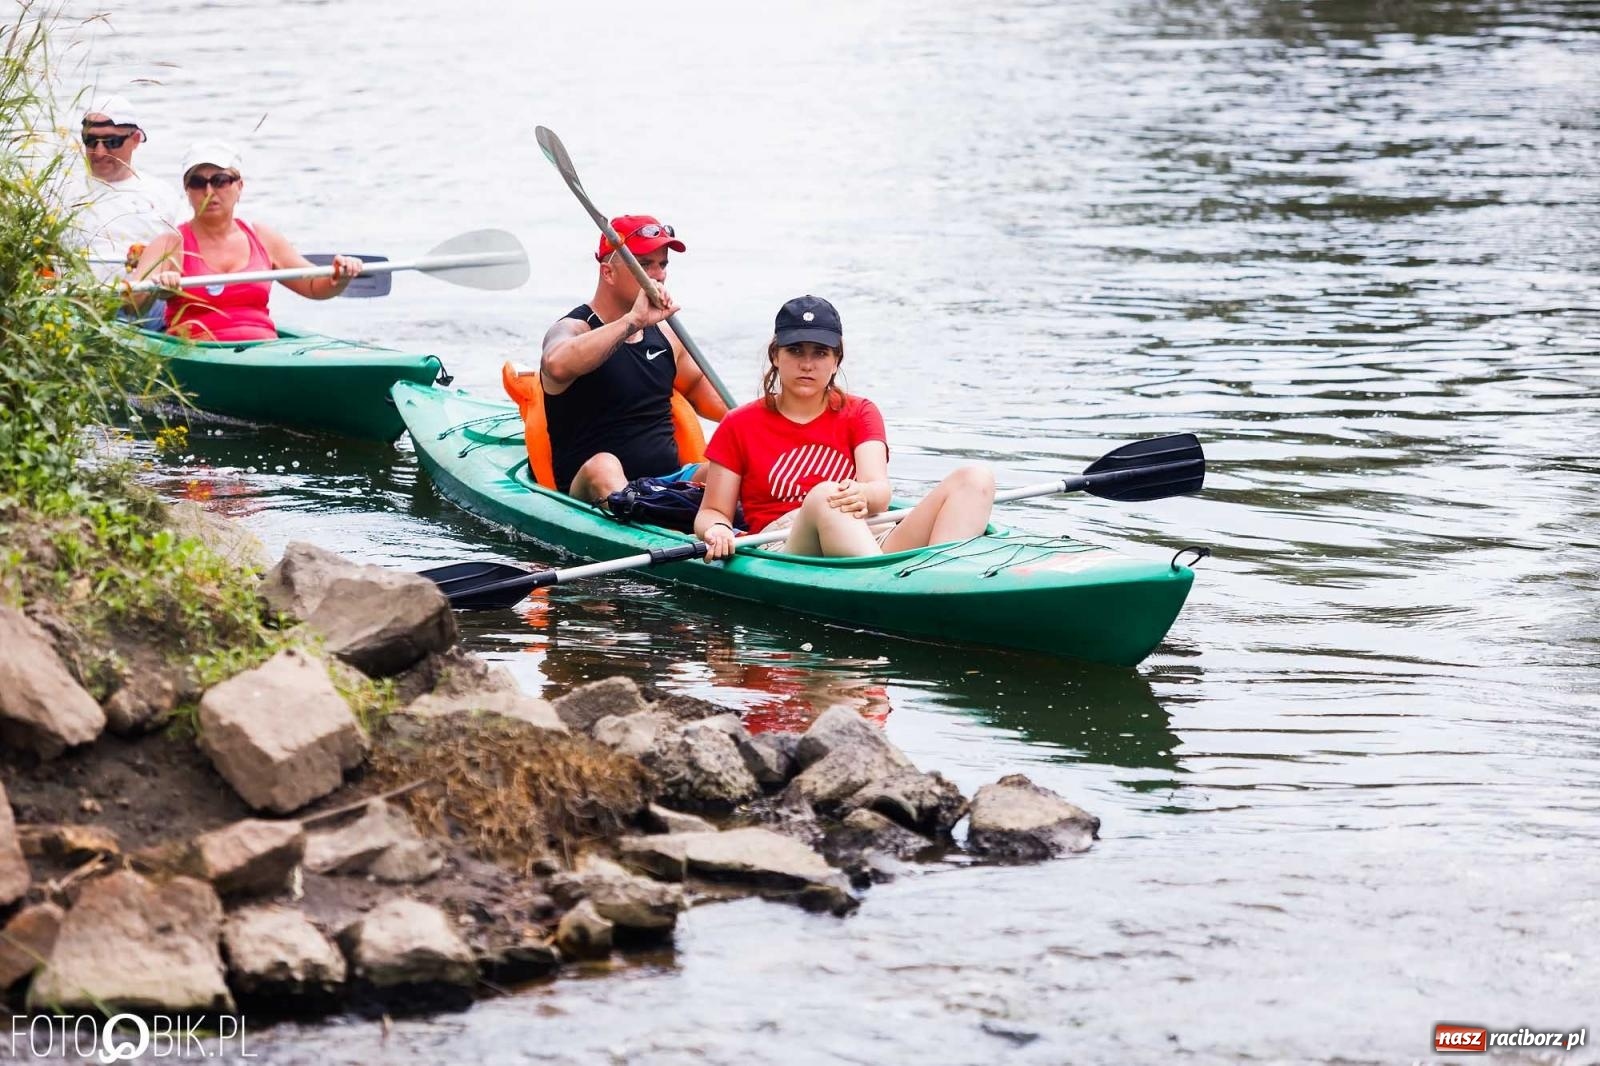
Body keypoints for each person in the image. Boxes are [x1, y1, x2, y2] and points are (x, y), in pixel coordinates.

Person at [695, 295, 995, 559]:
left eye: (820, 353)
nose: (808, 364)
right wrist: (719, 529)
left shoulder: (860, 411)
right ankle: (886, 587)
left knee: (975, 478)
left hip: (868, 532)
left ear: (836, 360)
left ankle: (938, 580)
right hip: (786, 544)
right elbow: (712, 512)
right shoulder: (738, 423)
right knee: (827, 495)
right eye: (796, 351)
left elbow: (879, 489)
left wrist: (863, 494)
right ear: (776, 355)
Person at [539, 215, 728, 500]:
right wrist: (632, 321)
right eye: (644, 265)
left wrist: (781, 417)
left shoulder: (668, 337)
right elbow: (555, 364)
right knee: (604, 466)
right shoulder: (574, 328)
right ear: (608, 273)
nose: (659, 275)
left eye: (662, 264)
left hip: (666, 483)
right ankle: (649, 514)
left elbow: (719, 403)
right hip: (590, 488)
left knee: (728, 467)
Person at [129, 141, 363, 341]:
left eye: (220, 180)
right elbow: (131, 305)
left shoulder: (263, 236)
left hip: (260, 350)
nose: (209, 191)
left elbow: (314, 286)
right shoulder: (170, 244)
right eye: (198, 183)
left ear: (239, 186)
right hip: (196, 354)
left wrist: (340, 277)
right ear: (187, 190)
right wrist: (156, 289)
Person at [73, 95, 180, 321]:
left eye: (112, 142)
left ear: (136, 139)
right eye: (91, 141)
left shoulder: (162, 194)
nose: (99, 152)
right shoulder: (59, 189)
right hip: (73, 305)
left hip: (147, 310)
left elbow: (186, 254)